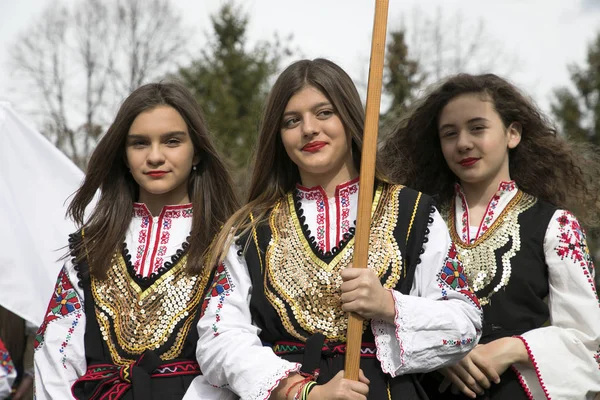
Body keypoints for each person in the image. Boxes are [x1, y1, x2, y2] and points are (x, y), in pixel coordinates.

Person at [196, 58, 483, 400]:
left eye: (324, 113)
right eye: (292, 120)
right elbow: (218, 336)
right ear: (279, 136)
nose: (309, 129)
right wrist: (301, 392)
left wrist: (388, 305)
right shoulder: (250, 231)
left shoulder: (414, 212)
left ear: (349, 119)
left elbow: (465, 324)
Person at [381, 73, 600, 399]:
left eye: (477, 128)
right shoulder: (417, 224)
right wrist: (443, 348)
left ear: (513, 133)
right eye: (449, 133)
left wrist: (512, 348)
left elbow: (587, 342)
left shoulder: (555, 226)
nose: (463, 143)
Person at [34, 82, 239, 399]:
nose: (155, 156)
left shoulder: (229, 244)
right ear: (124, 156)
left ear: (196, 151)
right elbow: (56, 357)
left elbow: (232, 352)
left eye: (172, 141)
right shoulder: (87, 250)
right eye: (140, 143)